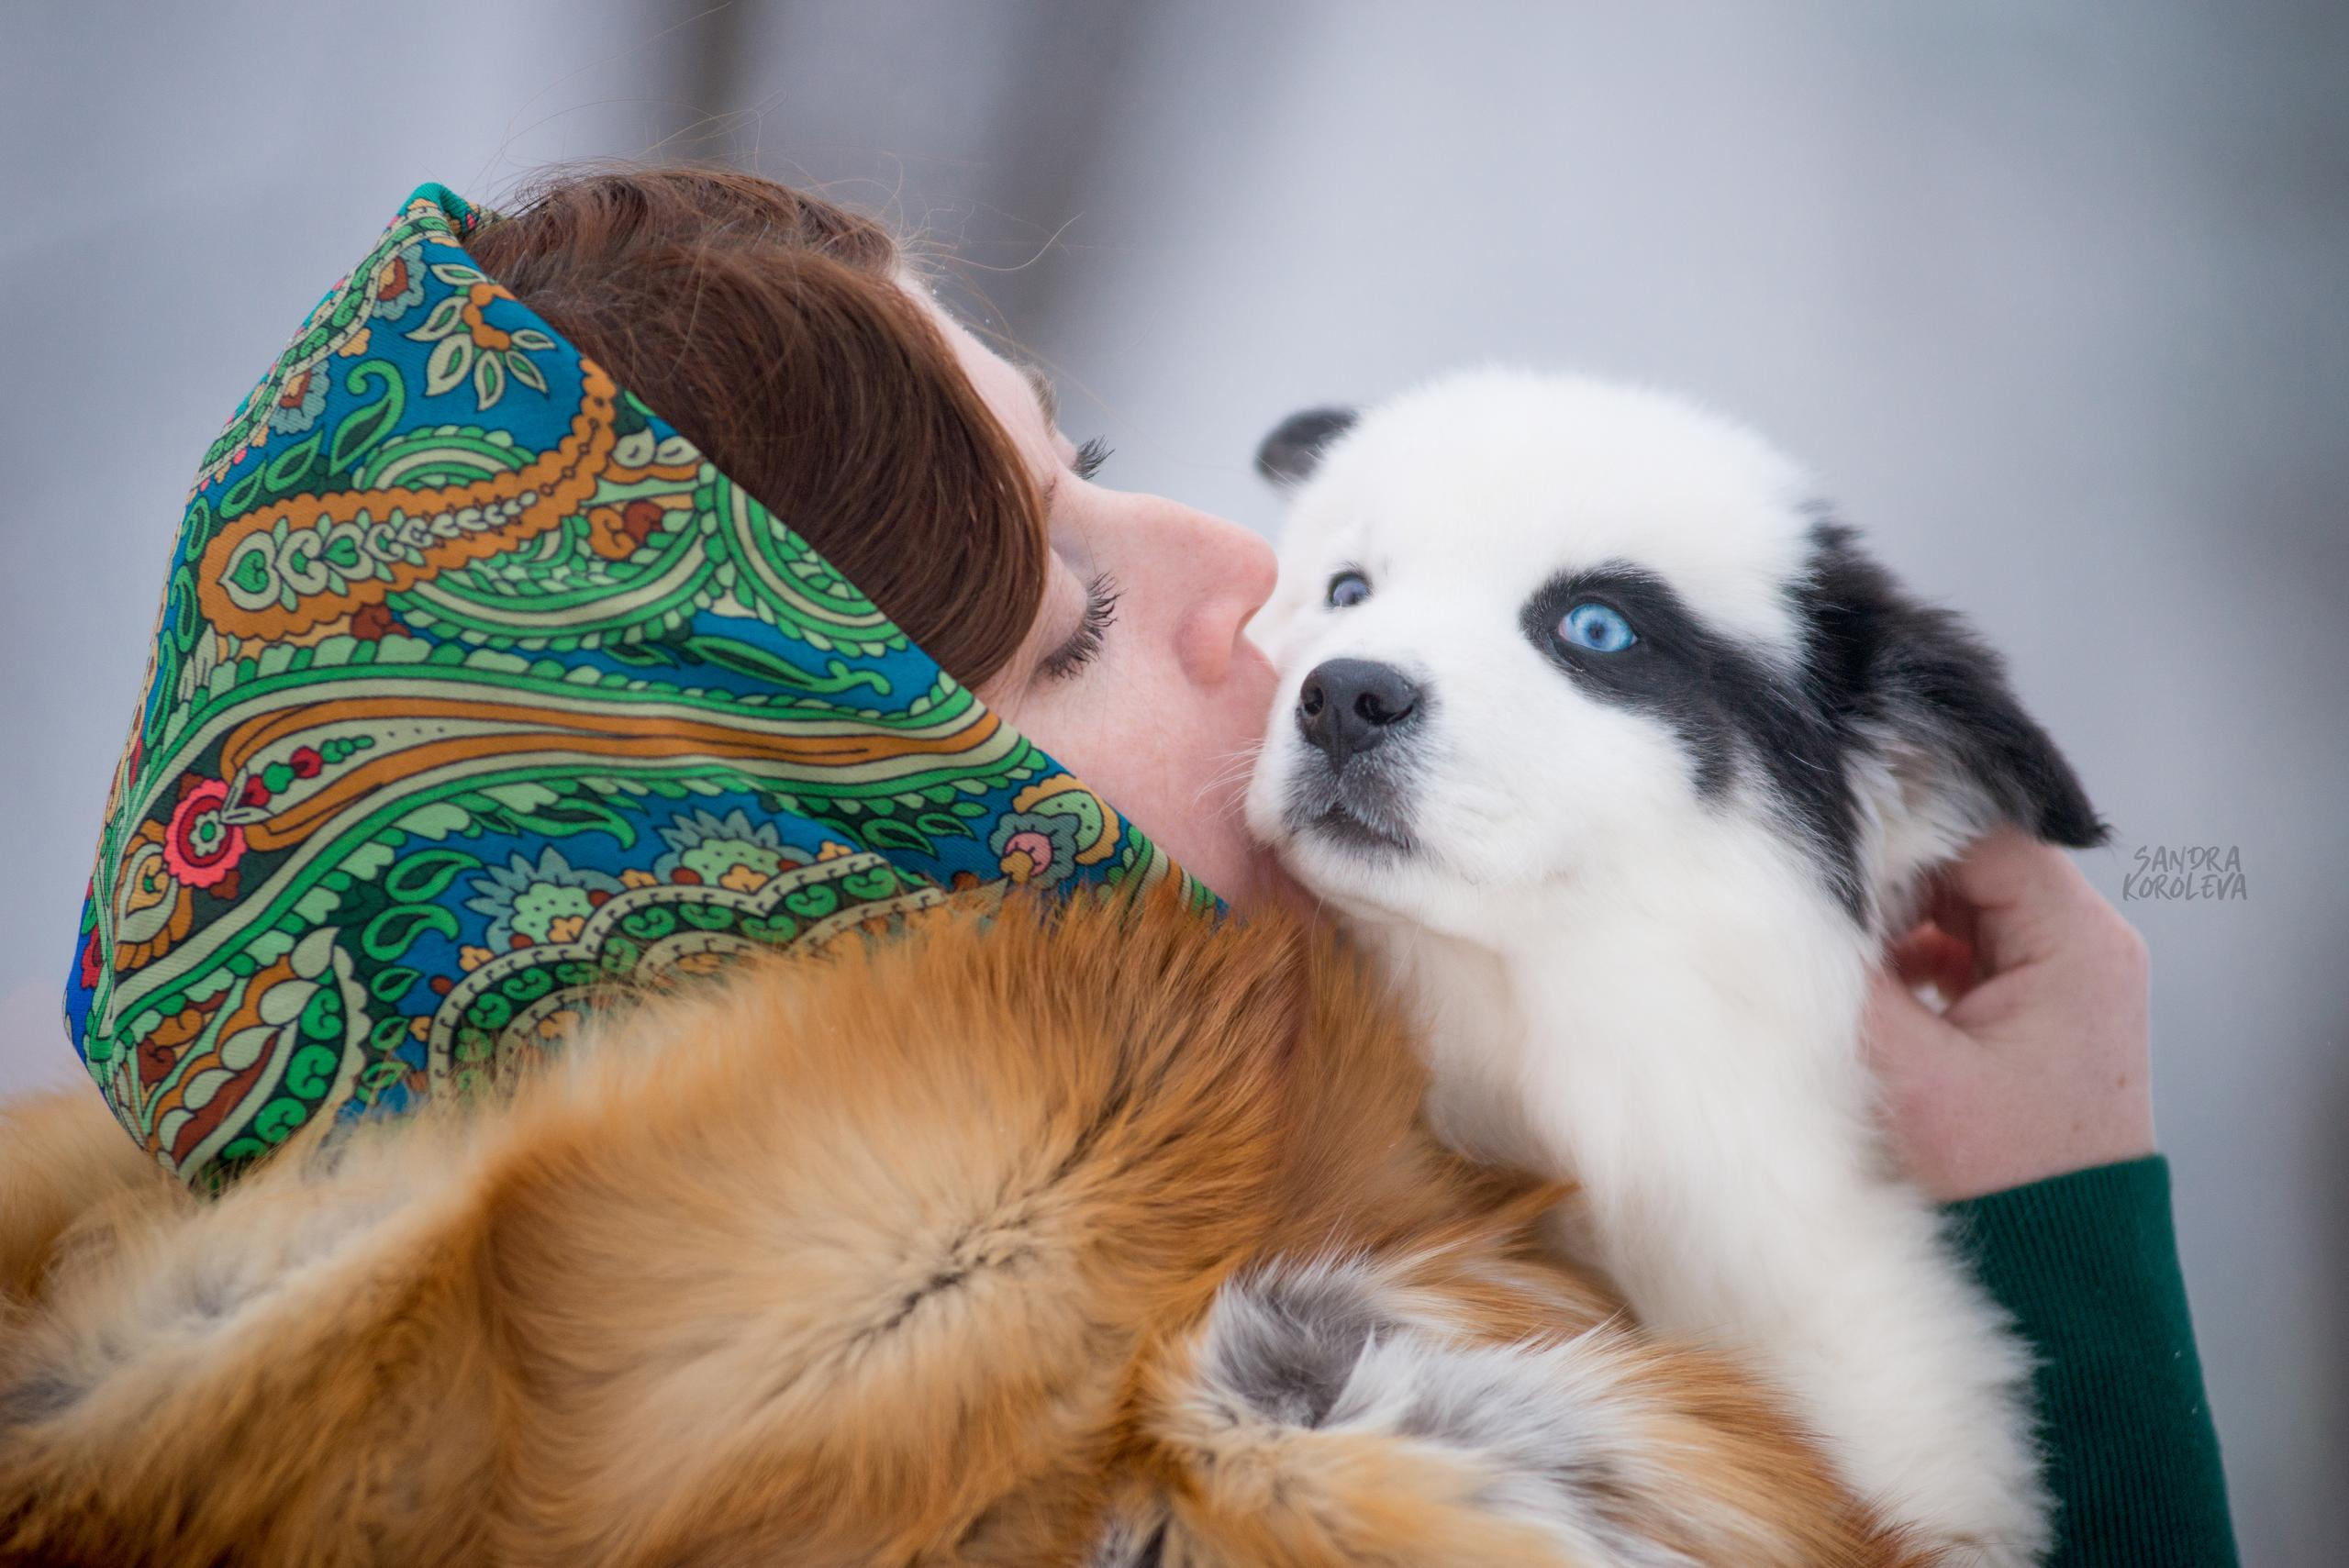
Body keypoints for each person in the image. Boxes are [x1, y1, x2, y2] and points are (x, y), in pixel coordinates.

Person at [29, 168, 2230, 1564]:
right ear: (811, 895)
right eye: (1067, 617)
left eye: (1090, 471)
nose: (1249, 582)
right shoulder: (1364, 1495)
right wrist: (2064, 1273)